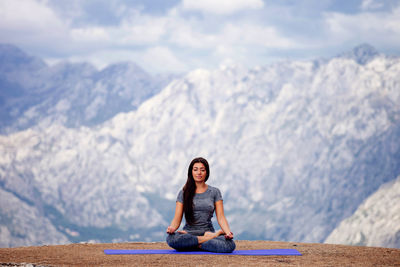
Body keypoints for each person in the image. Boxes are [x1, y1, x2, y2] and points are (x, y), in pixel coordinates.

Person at [166, 157, 236, 253]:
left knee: (230, 245)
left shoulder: (215, 192)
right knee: (171, 239)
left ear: (206, 173)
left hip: (208, 232)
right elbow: (177, 219)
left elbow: (221, 217)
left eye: (202, 170)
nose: (199, 173)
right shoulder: (183, 193)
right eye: (195, 170)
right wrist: (172, 228)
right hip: (189, 234)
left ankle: (192, 244)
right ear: (191, 172)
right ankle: (205, 240)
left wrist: (227, 232)